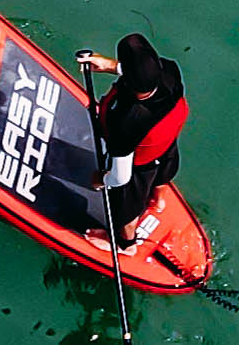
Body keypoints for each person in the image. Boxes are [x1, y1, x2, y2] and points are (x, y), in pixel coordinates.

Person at [75, 33, 186, 245]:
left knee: (126, 208)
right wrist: (111, 66)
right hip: (166, 146)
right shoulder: (170, 70)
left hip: (140, 162)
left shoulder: (126, 121)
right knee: (162, 170)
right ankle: (158, 201)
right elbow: (146, 76)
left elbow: (121, 177)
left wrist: (102, 179)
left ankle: (124, 243)